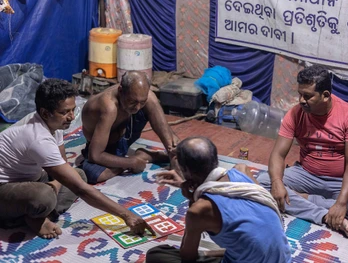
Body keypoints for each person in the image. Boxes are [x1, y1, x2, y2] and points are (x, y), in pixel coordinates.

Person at [0, 79, 155, 239]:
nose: (72, 117)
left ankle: (35, 214)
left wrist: (56, 184)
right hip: (4, 187)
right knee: (44, 196)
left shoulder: (53, 124)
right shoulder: (38, 138)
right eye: (65, 112)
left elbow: (64, 166)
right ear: (46, 113)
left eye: (73, 110)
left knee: (78, 174)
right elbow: (81, 189)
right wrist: (126, 215)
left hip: (29, 177)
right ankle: (30, 216)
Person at [257, 65, 348, 238]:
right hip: (306, 174)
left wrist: (342, 203)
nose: (301, 100)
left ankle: (308, 199)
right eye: (300, 94)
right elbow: (278, 154)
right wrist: (276, 182)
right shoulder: (295, 114)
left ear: (326, 95)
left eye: (308, 96)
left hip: (340, 181)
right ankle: (324, 216)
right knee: (262, 183)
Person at [146, 137, 292, 263]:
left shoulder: (199, 210)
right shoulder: (242, 171)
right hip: (282, 258)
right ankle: (209, 254)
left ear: (187, 172)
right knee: (248, 240)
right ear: (215, 159)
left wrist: (192, 200)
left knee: (157, 255)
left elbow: (187, 256)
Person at [80, 70, 180, 184]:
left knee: (151, 100)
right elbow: (95, 155)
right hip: (107, 147)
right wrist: (131, 163)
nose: (137, 108)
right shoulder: (109, 107)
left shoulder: (144, 97)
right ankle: (143, 156)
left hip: (125, 133)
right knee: (92, 174)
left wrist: (173, 152)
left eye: (141, 102)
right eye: (132, 101)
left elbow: (164, 127)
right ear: (121, 90)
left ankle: (172, 156)